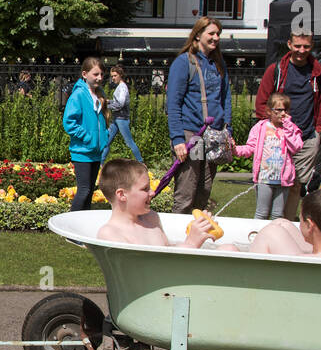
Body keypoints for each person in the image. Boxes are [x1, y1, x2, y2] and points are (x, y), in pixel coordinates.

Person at [255, 32, 321, 220]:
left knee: (295, 184)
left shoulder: (318, 71)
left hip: (306, 136)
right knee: (271, 182)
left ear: (311, 46)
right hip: (278, 139)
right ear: (289, 44)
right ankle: (263, 223)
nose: (301, 51)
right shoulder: (276, 70)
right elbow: (262, 102)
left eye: (306, 47)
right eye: (297, 46)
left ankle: (284, 224)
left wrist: (319, 130)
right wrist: (270, 128)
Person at [166, 17, 233, 213]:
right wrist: (178, 139)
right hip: (192, 135)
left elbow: (225, 98)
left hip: (214, 135)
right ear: (197, 35)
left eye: (218, 34)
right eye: (211, 33)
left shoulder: (218, 63)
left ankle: (196, 236)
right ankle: (178, 237)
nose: (216, 38)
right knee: (187, 190)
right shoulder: (183, 62)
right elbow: (173, 103)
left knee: (204, 190)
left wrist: (228, 129)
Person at [95, 159, 217, 248]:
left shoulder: (151, 218)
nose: (152, 192)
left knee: (228, 248)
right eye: (145, 189)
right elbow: (151, 269)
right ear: (122, 195)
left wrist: (198, 233)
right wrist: (191, 243)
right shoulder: (110, 233)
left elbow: (167, 250)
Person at [233, 92, 303, 220]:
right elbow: (250, 148)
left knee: (277, 215)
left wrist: (288, 127)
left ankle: (274, 239)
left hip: (283, 180)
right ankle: (258, 238)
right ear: (269, 111)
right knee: (261, 213)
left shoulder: (291, 128)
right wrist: (235, 150)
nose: (283, 113)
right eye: (279, 110)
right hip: (264, 178)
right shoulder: (260, 128)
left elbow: (296, 147)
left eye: (286, 110)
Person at [247, 188, 321, 259]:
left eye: (301, 219)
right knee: (282, 223)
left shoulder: (305, 261)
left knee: (270, 232)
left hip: (298, 274)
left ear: (309, 225)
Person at [63, 57, 112, 211]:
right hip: (82, 151)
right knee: (83, 190)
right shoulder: (78, 95)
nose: (99, 78)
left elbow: (101, 120)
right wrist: (87, 137)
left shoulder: (99, 94)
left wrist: (103, 136)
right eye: (95, 74)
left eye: (102, 74)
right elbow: (69, 122)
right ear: (84, 74)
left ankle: (82, 225)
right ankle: (71, 224)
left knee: (90, 191)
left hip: (96, 150)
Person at [102, 64, 143, 163]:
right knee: (107, 141)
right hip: (116, 119)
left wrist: (106, 106)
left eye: (115, 76)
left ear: (120, 75)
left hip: (122, 119)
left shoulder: (122, 87)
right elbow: (118, 102)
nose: (113, 78)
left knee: (129, 142)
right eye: (112, 76)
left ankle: (141, 163)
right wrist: (109, 101)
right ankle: (100, 163)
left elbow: (120, 104)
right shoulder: (119, 87)